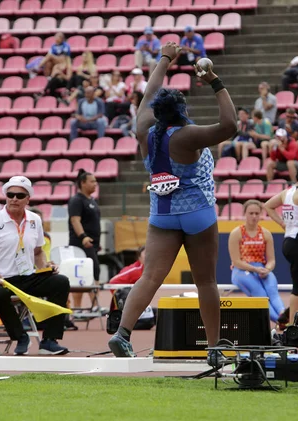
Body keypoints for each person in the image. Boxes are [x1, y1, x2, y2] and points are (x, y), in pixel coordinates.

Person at [107, 42, 237, 364]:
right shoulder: (187, 135)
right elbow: (230, 126)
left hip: (162, 214)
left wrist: (165, 59)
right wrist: (216, 83)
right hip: (197, 213)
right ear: (181, 111)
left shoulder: (143, 131)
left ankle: (122, 333)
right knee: (205, 280)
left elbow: (148, 96)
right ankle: (214, 348)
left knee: (150, 277)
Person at [0, 176, 71, 355]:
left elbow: (39, 252)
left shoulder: (35, 220)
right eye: (10, 194)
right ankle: (20, 337)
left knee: (61, 281)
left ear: (28, 199)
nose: (14, 199)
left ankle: (49, 340)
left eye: (19, 195)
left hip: (26, 277)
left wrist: (45, 266)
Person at [264, 163, 298, 327]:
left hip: (289, 241)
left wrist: (282, 223)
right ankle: (295, 324)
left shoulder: (287, 192)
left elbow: (267, 205)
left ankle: (291, 315)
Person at [228, 200, 284, 323]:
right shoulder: (236, 233)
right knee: (260, 293)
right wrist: (254, 269)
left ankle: (283, 314)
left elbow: (271, 260)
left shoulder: (266, 234)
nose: (254, 216)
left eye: (257, 213)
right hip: (241, 270)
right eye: (251, 213)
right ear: (245, 214)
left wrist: (267, 269)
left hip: (261, 268)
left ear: (261, 215)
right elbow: (236, 261)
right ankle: (280, 321)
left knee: (272, 290)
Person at [68, 169, 101, 310]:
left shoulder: (91, 200)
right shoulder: (76, 200)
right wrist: (83, 237)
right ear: (82, 183)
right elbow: (75, 221)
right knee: (82, 275)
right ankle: (78, 308)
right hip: (80, 244)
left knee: (94, 272)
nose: (95, 184)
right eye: (92, 181)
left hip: (91, 244)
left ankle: (93, 306)